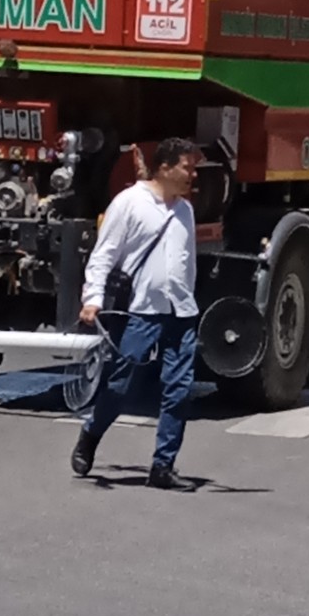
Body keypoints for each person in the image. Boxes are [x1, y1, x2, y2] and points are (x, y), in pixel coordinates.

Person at [71, 137, 201, 491]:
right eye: (187, 167)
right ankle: (91, 433)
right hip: (140, 311)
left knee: (179, 389)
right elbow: (104, 254)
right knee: (119, 385)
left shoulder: (185, 210)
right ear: (164, 167)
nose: (193, 174)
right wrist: (92, 298)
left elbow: (186, 263)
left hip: (181, 311)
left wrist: (188, 300)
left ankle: (163, 466)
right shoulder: (129, 203)